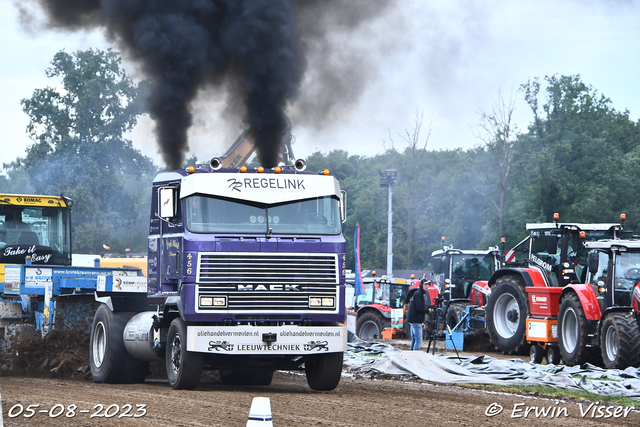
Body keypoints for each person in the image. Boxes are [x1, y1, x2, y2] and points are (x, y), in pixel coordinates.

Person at [407, 279, 433, 351]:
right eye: (425, 284)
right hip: (415, 321)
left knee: (414, 339)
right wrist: (428, 311)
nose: (427, 286)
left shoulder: (418, 294)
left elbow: (416, 309)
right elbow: (419, 308)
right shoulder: (419, 294)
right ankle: (415, 356)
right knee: (418, 340)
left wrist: (421, 321)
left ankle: (412, 355)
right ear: (421, 285)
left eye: (427, 284)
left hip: (414, 320)